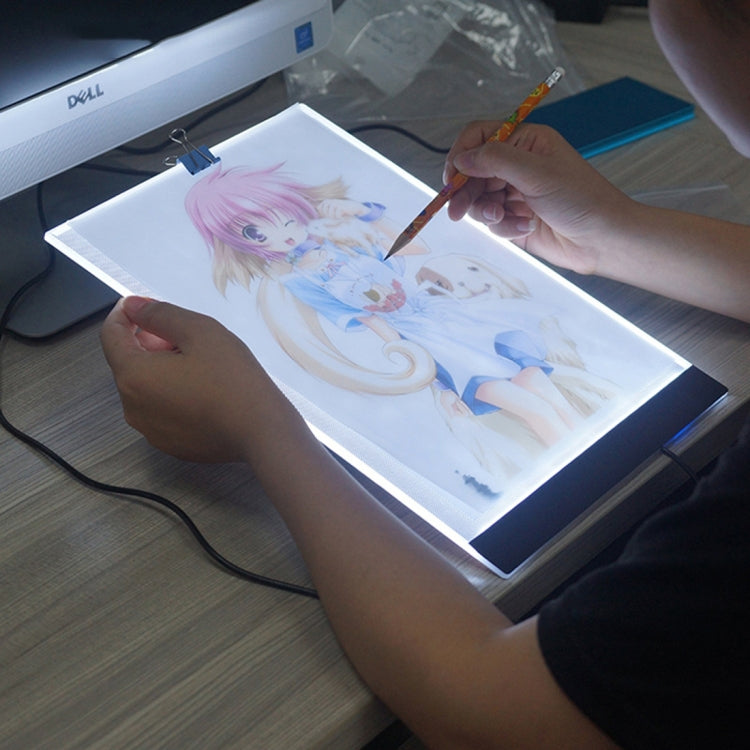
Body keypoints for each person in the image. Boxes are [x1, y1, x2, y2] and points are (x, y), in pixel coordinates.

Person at [100, 0, 750, 746]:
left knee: (526, 384)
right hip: (425, 335)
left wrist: (265, 428)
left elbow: (495, 716)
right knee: (511, 386)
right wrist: (609, 234)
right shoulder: (306, 277)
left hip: (442, 338)